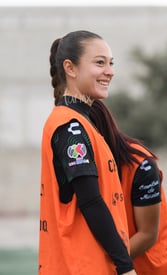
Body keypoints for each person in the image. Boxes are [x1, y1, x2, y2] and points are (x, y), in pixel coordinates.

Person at [39, 30, 136, 275]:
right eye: (99, 62)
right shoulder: (70, 126)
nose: (110, 71)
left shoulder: (81, 122)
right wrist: (126, 266)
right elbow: (90, 201)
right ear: (70, 68)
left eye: (111, 63)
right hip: (81, 266)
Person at [89, 99, 167, 275]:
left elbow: (147, 235)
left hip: (157, 268)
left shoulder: (141, 166)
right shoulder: (84, 169)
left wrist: (104, 267)